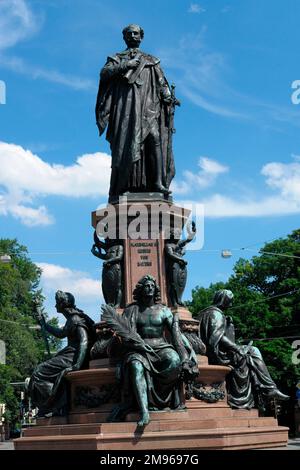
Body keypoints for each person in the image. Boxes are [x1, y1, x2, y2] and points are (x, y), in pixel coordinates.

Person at [95, 24, 179, 200]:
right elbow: (104, 74)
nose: (133, 36)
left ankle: (157, 182)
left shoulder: (151, 60)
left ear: (141, 37)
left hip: (148, 109)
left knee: (154, 140)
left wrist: (168, 97)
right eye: (129, 33)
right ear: (124, 37)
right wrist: (126, 65)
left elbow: (162, 82)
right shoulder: (117, 58)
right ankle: (123, 186)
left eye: (136, 33)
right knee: (127, 146)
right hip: (126, 110)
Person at [101, 275, 198, 426]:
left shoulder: (164, 311)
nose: (150, 288)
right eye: (146, 286)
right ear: (140, 289)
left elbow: (176, 334)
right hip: (137, 350)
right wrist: (138, 345)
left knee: (174, 361)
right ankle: (144, 411)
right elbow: (125, 336)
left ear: (156, 290)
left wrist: (187, 351)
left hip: (161, 347)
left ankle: (162, 396)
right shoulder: (132, 310)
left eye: (152, 286)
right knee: (136, 366)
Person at [196, 289, 289, 409]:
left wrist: (227, 324)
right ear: (223, 300)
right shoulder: (216, 314)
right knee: (253, 351)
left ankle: (267, 388)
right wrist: (236, 348)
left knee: (250, 353)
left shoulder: (206, 312)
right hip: (218, 354)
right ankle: (269, 388)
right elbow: (217, 337)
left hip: (210, 352)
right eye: (229, 301)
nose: (231, 304)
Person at [28, 291, 95, 417]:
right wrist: (44, 325)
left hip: (74, 357)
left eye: (56, 303)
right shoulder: (71, 319)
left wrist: (77, 365)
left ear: (63, 304)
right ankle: (52, 405)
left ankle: (52, 405)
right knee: (40, 372)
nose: (54, 306)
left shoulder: (75, 319)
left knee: (38, 372)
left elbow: (84, 342)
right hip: (70, 355)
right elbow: (61, 334)